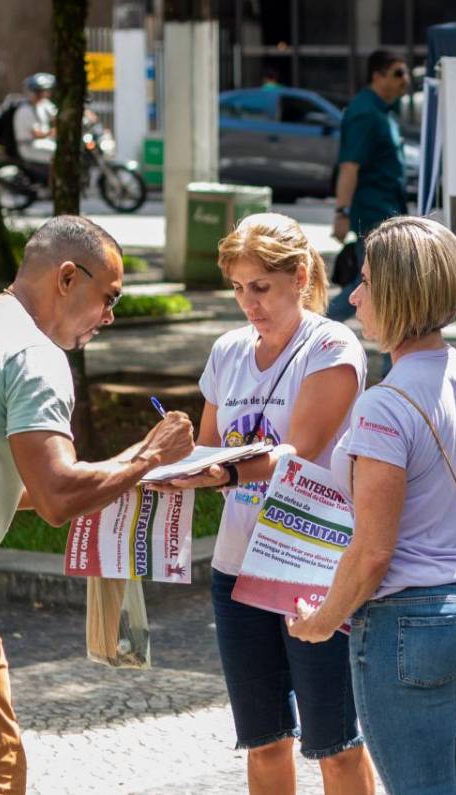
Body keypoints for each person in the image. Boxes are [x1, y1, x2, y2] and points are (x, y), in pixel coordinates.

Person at [0, 215, 194, 794]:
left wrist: (123, 475)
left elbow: (12, 483)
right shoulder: (34, 354)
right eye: (108, 298)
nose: (108, 317)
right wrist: (148, 458)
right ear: (65, 278)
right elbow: (57, 498)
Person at [286, 216, 456, 794]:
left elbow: (372, 551)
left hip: (408, 621)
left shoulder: (383, 405)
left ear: (397, 293)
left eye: (365, 282)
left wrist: (321, 620)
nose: (356, 296)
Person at [163, 213, 373, 795]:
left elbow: (295, 455)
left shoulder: (331, 344)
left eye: (260, 287)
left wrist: (213, 470)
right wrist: (160, 464)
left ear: (299, 276)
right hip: (236, 568)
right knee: (262, 741)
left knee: (336, 742)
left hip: (310, 565)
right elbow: (205, 446)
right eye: (237, 287)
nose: (247, 303)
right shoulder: (228, 350)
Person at [328, 50, 410, 323]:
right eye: (398, 73)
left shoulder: (383, 111)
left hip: (387, 213)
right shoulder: (365, 112)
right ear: (377, 75)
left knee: (381, 287)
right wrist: (341, 213)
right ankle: (308, 331)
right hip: (373, 216)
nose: (405, 80)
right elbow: (349, 166)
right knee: (378, 287)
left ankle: (306, 332)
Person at [13, 72, 58, 173]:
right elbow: (36, 134)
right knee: (59, 153)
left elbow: (56, 114)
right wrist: (53, 132)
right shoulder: (24, 110)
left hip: (42, 142)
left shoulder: (42, 105)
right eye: (44, 91)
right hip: (29, 145)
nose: (47, 94)